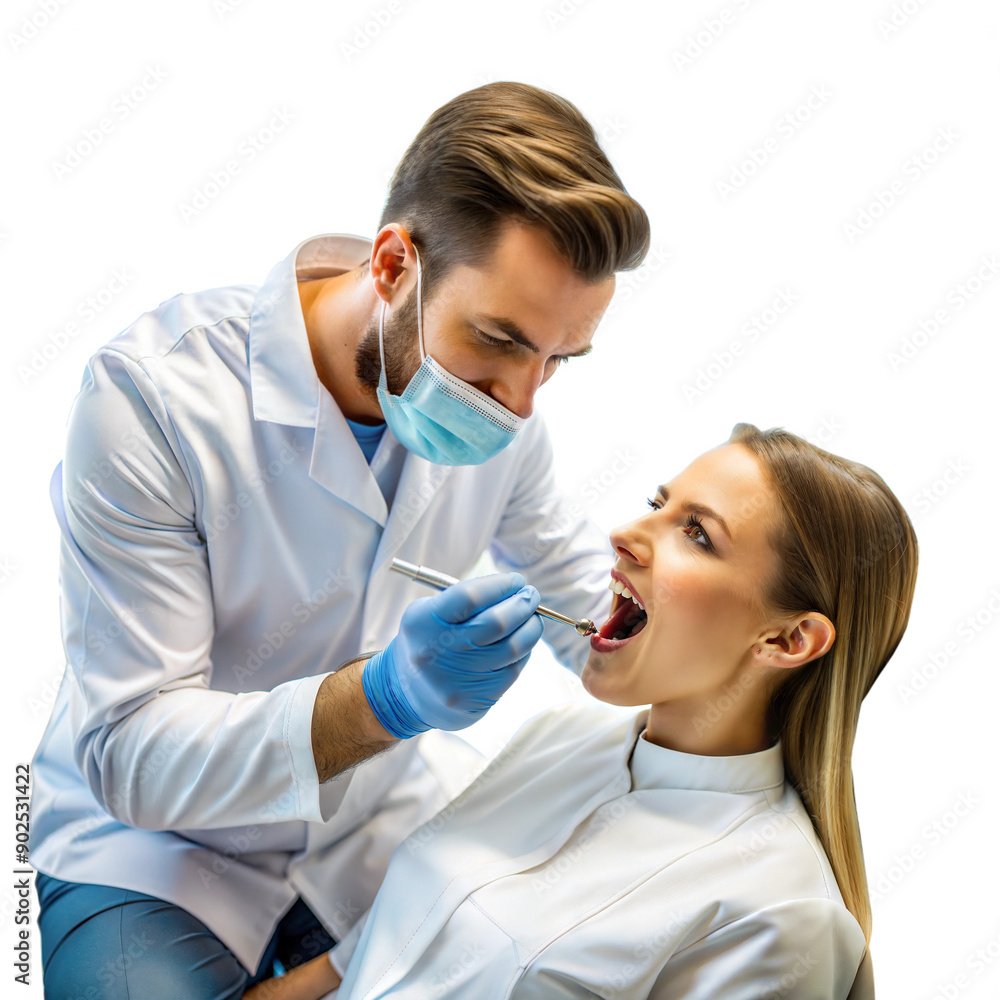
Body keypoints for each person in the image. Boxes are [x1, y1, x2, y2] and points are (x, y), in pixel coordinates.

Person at [29, 81, 650, 998]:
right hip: (159, 847)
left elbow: (581, 597)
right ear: (394, 263)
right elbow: (133, 754)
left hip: (372, 817)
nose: (520, 401)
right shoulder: (152, 401)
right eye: (498, 340)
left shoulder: (501, 418)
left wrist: (706, 650)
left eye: (557, 360)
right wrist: (386, 699)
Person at [240, 422, 917, 1000]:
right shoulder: (555, 738)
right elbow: (365, 952)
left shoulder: (782, 920)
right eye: (656, 503)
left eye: (697, 534)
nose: (625, 534)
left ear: (787, 640)